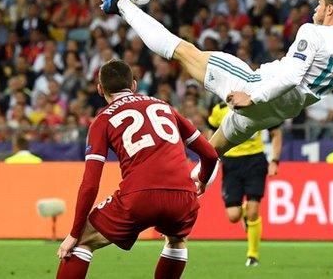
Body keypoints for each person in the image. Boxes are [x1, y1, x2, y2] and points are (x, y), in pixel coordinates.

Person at [101, 0, 333, 156]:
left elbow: (291, 77)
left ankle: (120, 3)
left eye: (321, 3)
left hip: (255, 89)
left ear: (331, 10)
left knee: (184, 51)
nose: (316, 7)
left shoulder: (313, 32)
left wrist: (254, 97)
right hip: (273, 115)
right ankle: (185, 200)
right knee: (210, 156)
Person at [55, 59, 219, 279]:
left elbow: (91, 183)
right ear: (133, 85)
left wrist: (74, 233)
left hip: (139, 197)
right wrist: (202, 179)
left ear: (100, 89)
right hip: (183, 195)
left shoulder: (103, 120)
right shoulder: (165, 107)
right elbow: (210, 154)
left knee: (82, 242)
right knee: (177, 240)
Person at [206, 101, 282, 267]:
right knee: (233, 216)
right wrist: (210, 158)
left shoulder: (259, 105)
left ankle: (252, 255)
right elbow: (210, 134)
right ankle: (245, 212)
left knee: (254, 210)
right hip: (230, 163)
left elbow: (276, 133)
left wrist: (275, 160)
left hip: (255, 160)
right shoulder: (219, 110)